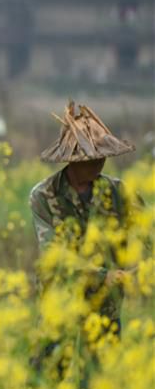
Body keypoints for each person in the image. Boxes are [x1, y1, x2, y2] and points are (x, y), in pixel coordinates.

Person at [29, 100, 138, 336]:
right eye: (92, 159)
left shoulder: (120, 193)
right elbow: (54, 255)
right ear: (73, 161)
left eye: (103, 157)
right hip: (60, 308)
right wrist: (103, 276)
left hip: (105, 313)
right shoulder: (44, 196)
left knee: (103, 373)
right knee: (52, 371)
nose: (100, 163)